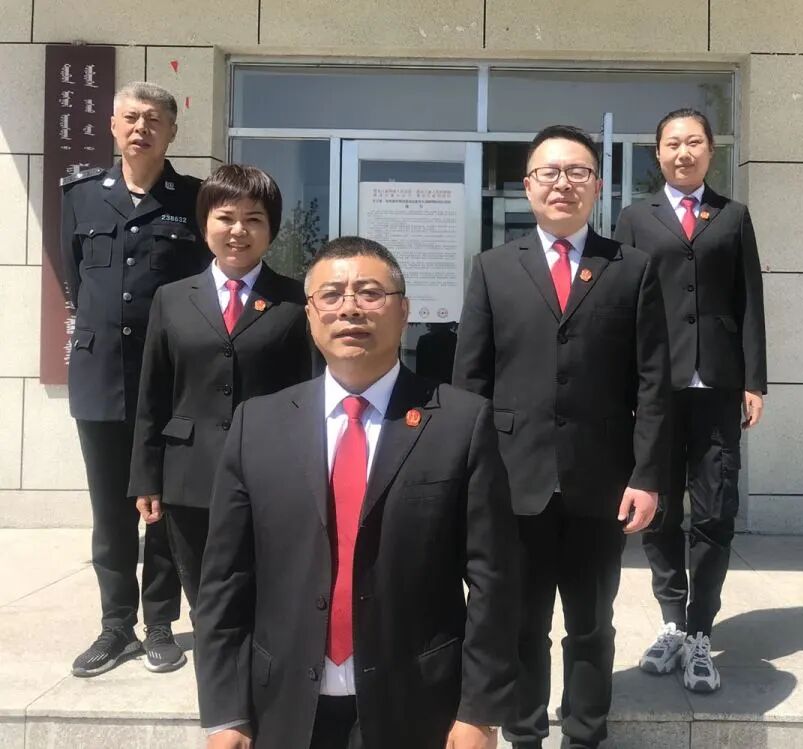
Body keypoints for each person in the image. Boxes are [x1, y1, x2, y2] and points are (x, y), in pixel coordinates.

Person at [195, 236, 519, 749]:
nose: (350, 308)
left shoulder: (460, 422)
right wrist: (224, 714)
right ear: (309, 314)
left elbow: (494, 579)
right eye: (331, 295)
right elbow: (223, 581)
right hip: (281, 704)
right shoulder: (256, 424)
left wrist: (480, 711)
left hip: (417, 704)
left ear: (403, 310)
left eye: (370, 293)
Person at [453, 125, 671, 749]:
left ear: (597, 185)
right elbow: (471, 382)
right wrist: (466, 478)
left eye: (577, 172)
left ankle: (584, 734)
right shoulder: (494, 268)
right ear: (527, 187)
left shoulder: (632, 268)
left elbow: (654, 382)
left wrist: (647, 475)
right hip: (512, 480)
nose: (563, 184)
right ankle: (524, 734)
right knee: (521, 623)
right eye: (548, 172)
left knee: (591, 624)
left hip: (600, 483)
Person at [613, 108, 767, 693]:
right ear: (657, 153)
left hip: (719, 387)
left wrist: (755, 381)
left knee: (715, 509)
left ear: (710, 151)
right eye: (673, 144)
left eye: (694, 142)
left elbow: (750, 300)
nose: (684, 152)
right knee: (657, 508)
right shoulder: (635, 218)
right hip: (655, 389)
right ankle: (672, 621)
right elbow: (620, 304)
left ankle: (701, 629)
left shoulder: (733, 216)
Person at [61, 81, 210, 677]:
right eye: (130, 117)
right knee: (110, 512)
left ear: (172, 131)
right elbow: (75, 277)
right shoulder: (80, 195)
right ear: (113, 126)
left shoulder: (193, 199)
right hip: (101, 376)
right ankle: (115, 625)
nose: (141, 128)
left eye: (153, 119)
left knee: (164, 509)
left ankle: (160, 624)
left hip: (169, 379)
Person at [128, 164, 313, 611]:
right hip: (189, 475)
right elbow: (152, 394)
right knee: (205, 600)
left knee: (266, 596)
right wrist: (146, 478)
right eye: (226, 217)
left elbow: (309, 395)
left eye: (253, 219)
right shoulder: (172, 298)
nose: (238, 231)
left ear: (271, 229)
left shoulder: (295, 301)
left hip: (271, 475)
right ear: (204, 223)